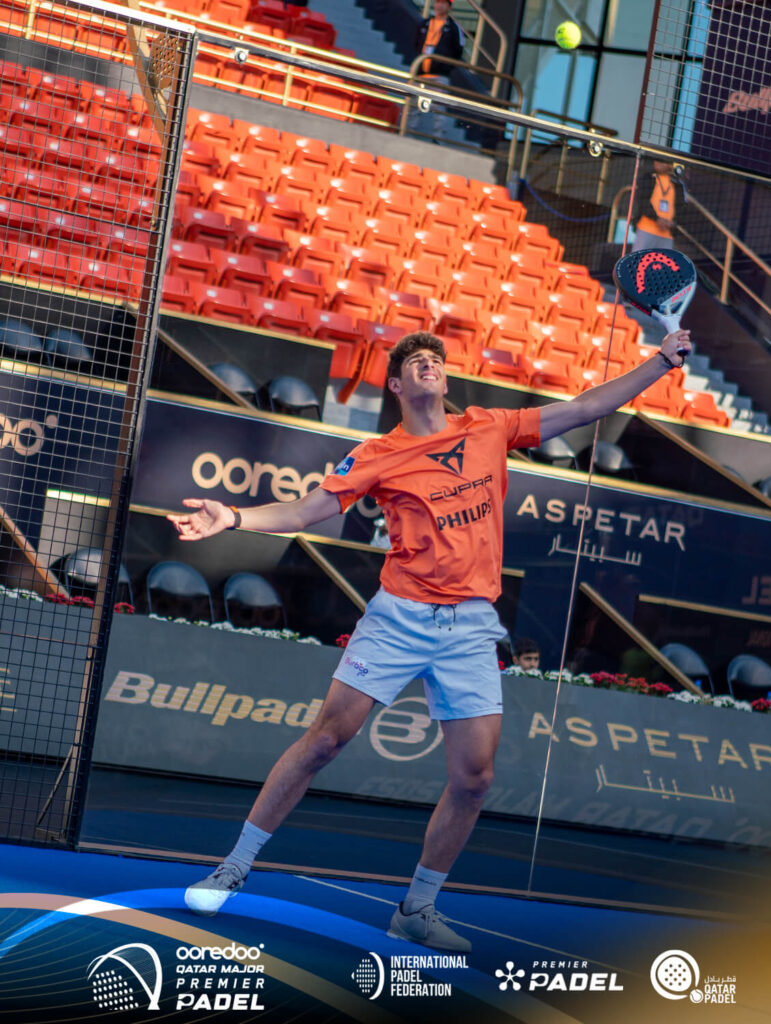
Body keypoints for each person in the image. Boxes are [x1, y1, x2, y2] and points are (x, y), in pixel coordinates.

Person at [168, 327, 691, 952]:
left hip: (469, 626)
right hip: (399, 617)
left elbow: (585, 408)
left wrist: (660, 361)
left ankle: (416, 909)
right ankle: (233, 868)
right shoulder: (378, 453)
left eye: (436, 360)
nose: (429, 366)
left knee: (474, 778)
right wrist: (233, 516)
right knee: (325, 741)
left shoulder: (490, 426)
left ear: (445, 378)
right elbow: (306, 511)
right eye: (416, 361)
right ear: (396, 384)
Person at [407, 0, 464, 142]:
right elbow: (416, 43)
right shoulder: (425, 23)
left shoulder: (453, 27)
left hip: (440, 74)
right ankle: (407, 132)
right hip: (421, 72)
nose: (440, 6)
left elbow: (458, 51)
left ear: (449, 7)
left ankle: (437, 138)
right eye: (438, 2)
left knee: (439, 108)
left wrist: (445, 66)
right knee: (413, 104)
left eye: (444, 3)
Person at [631, 160, 687, 252]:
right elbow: (642, 200)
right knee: (639, 259)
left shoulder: (678, 184)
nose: (658, 164)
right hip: (646, 229)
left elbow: (682, 207)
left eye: (662, 161)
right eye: (656, 161)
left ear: (670, 165)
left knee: (663, 261)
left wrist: (674, 222)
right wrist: (656, 219)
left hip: (667, 233)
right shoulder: (648, 178)